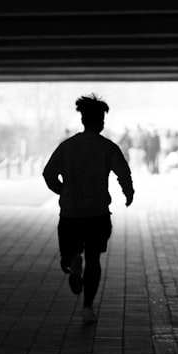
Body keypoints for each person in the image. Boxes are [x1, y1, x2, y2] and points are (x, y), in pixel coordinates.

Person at [43, 94, 134, 323]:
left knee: (70, 253)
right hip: (98, 214)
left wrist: (63, 190)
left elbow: (48, 173)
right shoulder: (108, 147)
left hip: (71, 214)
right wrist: (128, 193)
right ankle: (87, 307)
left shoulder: (67, 147)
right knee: (94, 259)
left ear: (82, 120)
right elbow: (123, 173)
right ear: (101, 122)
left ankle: (74, 260)